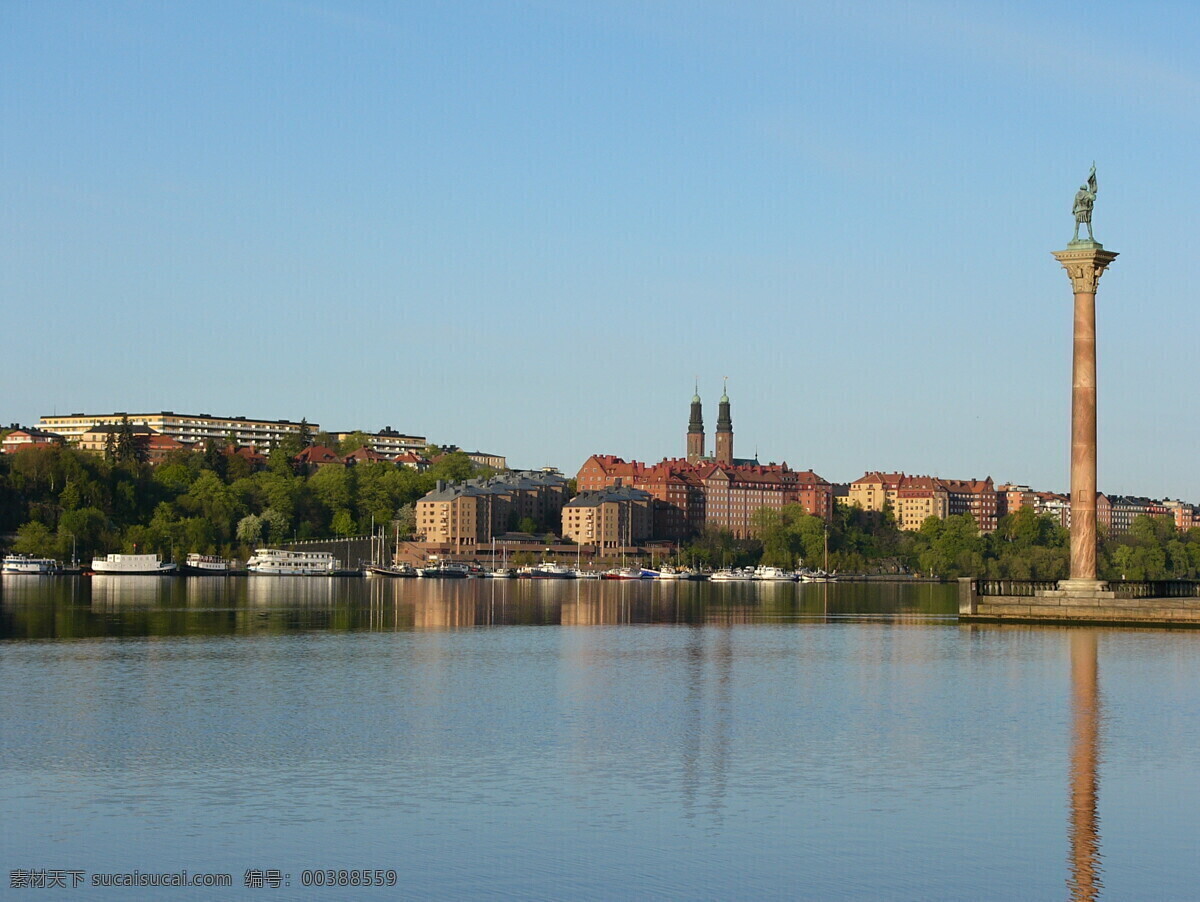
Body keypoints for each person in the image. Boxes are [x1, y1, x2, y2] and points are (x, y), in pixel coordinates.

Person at [1073, 164, 1098, 242]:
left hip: (1078, 211)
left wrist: (1073, 210)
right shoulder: (1087, 194)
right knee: (1088, 224)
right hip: (1086, 210)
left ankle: (1075, 237)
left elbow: (1074, 204)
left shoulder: (1077, 194)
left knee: (1077, 225)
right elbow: (1094, 198)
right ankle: (1091, 236)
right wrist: (1092, 193)